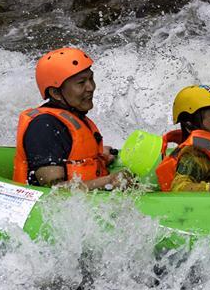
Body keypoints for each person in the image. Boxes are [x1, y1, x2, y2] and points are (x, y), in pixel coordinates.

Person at [13, 47, 128, 190]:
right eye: (81, 83)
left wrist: (99, 158)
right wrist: (109, 181)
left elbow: (72, 160)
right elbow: (54, 190)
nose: (91, 87)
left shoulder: (72, 117)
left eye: (91, 79)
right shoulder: (43, 127)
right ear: (55, 93)